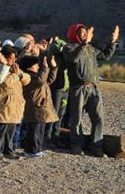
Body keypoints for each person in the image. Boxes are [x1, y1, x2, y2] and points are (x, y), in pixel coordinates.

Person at [62, 24, 118, 156]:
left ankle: (96, 147)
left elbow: (105, 56)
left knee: (98, 118)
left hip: (93, 87)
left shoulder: (91, 49)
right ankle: (76, 145)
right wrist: (84, 44)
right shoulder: (68, 48)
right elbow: (74, 58)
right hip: (78, 88)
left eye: (85, 32)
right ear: (74, 34)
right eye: (81, 32)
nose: (84, 34)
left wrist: (113, 42)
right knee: (77, 119)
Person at [0, 45, 31, 160]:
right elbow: (5, 82)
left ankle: (9, 150)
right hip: (4, 105)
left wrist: (20, 74)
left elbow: (27, 80)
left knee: (11, 131)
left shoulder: (15, 68)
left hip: (15, 105)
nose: (13, 61)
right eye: (11, 58)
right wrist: (15, 75)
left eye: (14, 58)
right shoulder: (0, 68)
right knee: (0, 130)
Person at [21, 55, 59, 157]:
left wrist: (54, 68)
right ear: (30, 66)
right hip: (34, 107)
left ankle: (37, 149)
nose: (38, 66)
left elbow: (49, 80)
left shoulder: (38, 75)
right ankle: (31, 151)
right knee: (34, 130)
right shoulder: (28, 76)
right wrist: (45, 68)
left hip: (41, 107)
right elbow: (40, 81)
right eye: (36, 65)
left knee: (40, 130)